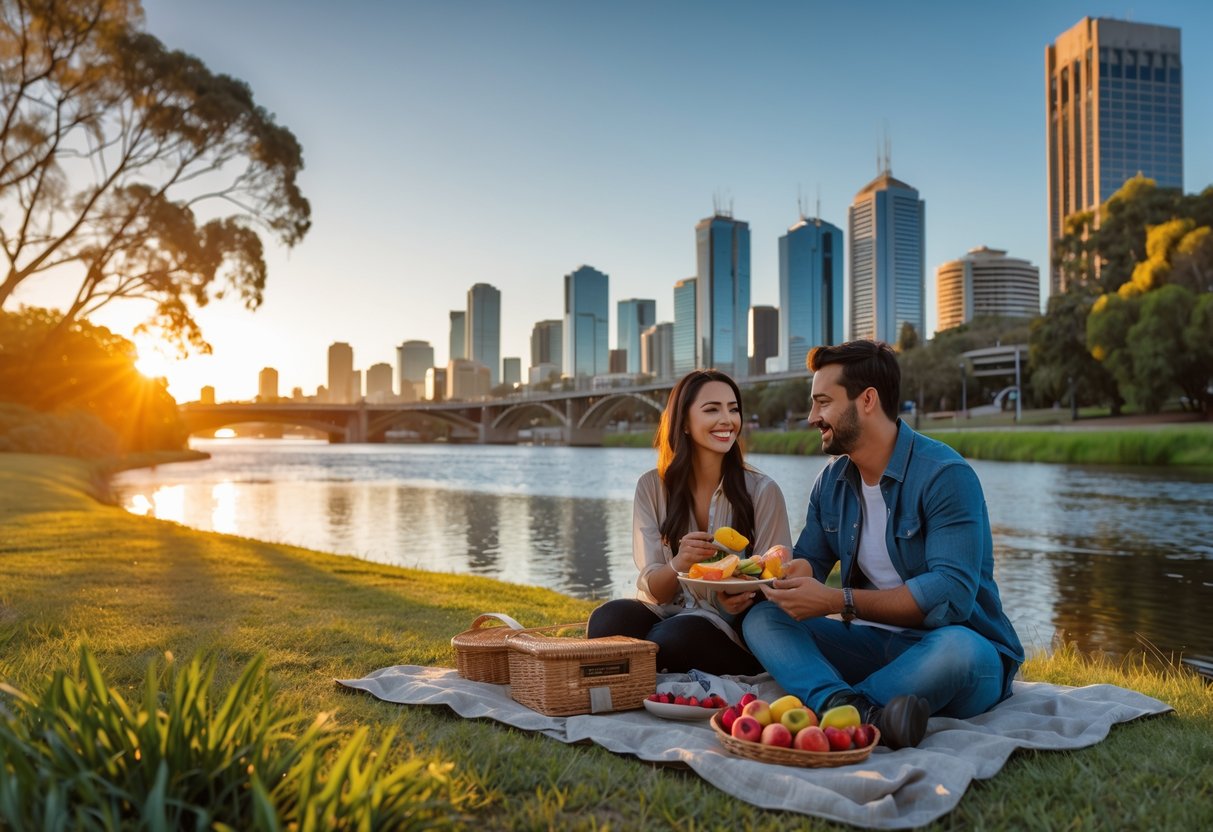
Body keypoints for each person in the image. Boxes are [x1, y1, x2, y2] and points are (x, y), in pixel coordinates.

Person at [744, 340, 1023, 749]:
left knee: (958, 649)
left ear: (868, 400)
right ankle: (852, 708)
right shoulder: (831, 481)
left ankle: (839, 706)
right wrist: (782, 574)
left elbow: (950, 597)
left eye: (823, 402)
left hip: (954, 649)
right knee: (762, 619)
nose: (811, 417)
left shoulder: (945, 475)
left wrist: (837, 601)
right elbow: (812, 561)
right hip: (871, 644)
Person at [588, 369, 792, 674]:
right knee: (607, 620)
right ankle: (635, 675)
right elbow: (655, 589)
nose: (727, 420)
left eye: (733, 409)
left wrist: (737, 597)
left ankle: (638, 669)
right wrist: (679, 562)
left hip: (728, 630)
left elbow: (776, 575)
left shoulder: (763, 491)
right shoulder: (650, 487)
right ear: (683, 422)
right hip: (665, 610)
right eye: (712, 409)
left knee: (672, 639)